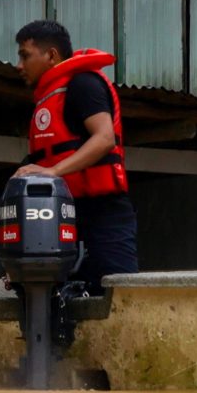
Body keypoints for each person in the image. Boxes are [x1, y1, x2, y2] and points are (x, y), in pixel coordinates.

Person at [12, 19, 139, 290]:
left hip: (104, 212)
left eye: (25, 56)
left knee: (116, 293)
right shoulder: (47, 99)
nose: (19, 66)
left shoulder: (82, 84)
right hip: (63, 213)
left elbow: (104, 139)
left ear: (51, 55)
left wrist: (53, 172)